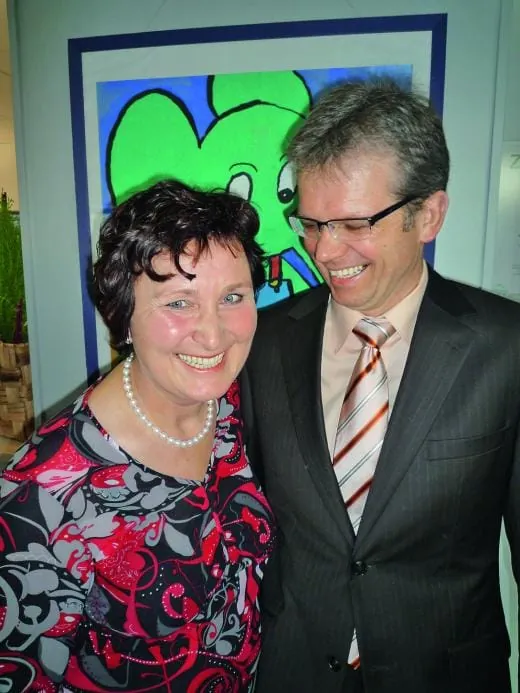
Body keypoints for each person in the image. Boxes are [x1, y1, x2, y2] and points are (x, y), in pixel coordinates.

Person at [241, 78, 520, 693]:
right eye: (311, 223)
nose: (323, 249)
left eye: (352, 223)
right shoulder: (262, 344)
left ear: (429, 215)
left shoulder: (507, 348)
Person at [0, 179, 275, 692]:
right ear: (124, 315)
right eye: (178, 303)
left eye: (232, 297)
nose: (213, 334)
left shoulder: (237, 408)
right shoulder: (43, 494)